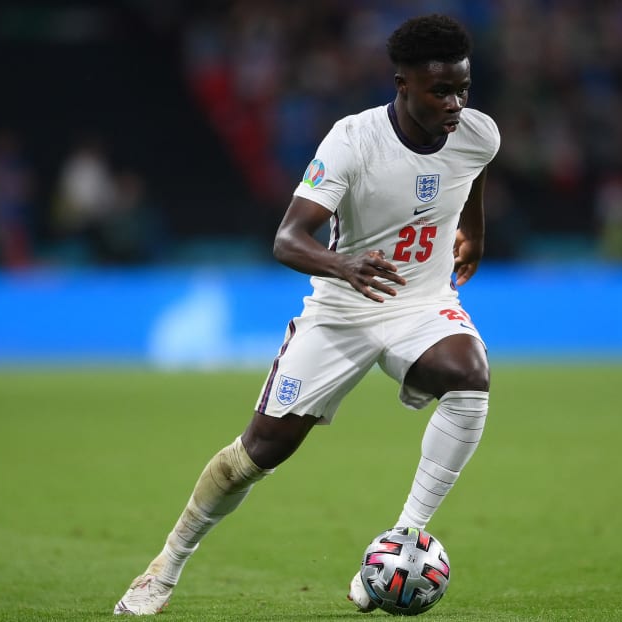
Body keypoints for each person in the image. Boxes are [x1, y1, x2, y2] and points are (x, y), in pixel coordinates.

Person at [114, 13, 500, 615]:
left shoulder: (478, 132)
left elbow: (471, 173)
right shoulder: (353, 140)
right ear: (402, 84)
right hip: (343, 309)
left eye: (462, 89)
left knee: (470, 372)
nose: (455, 103)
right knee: (260, 451)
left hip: (422, 304)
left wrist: (472, 235)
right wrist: (345, 266)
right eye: (441, 90)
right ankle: (168, 562)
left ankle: (399, 541)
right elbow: (288, 239)